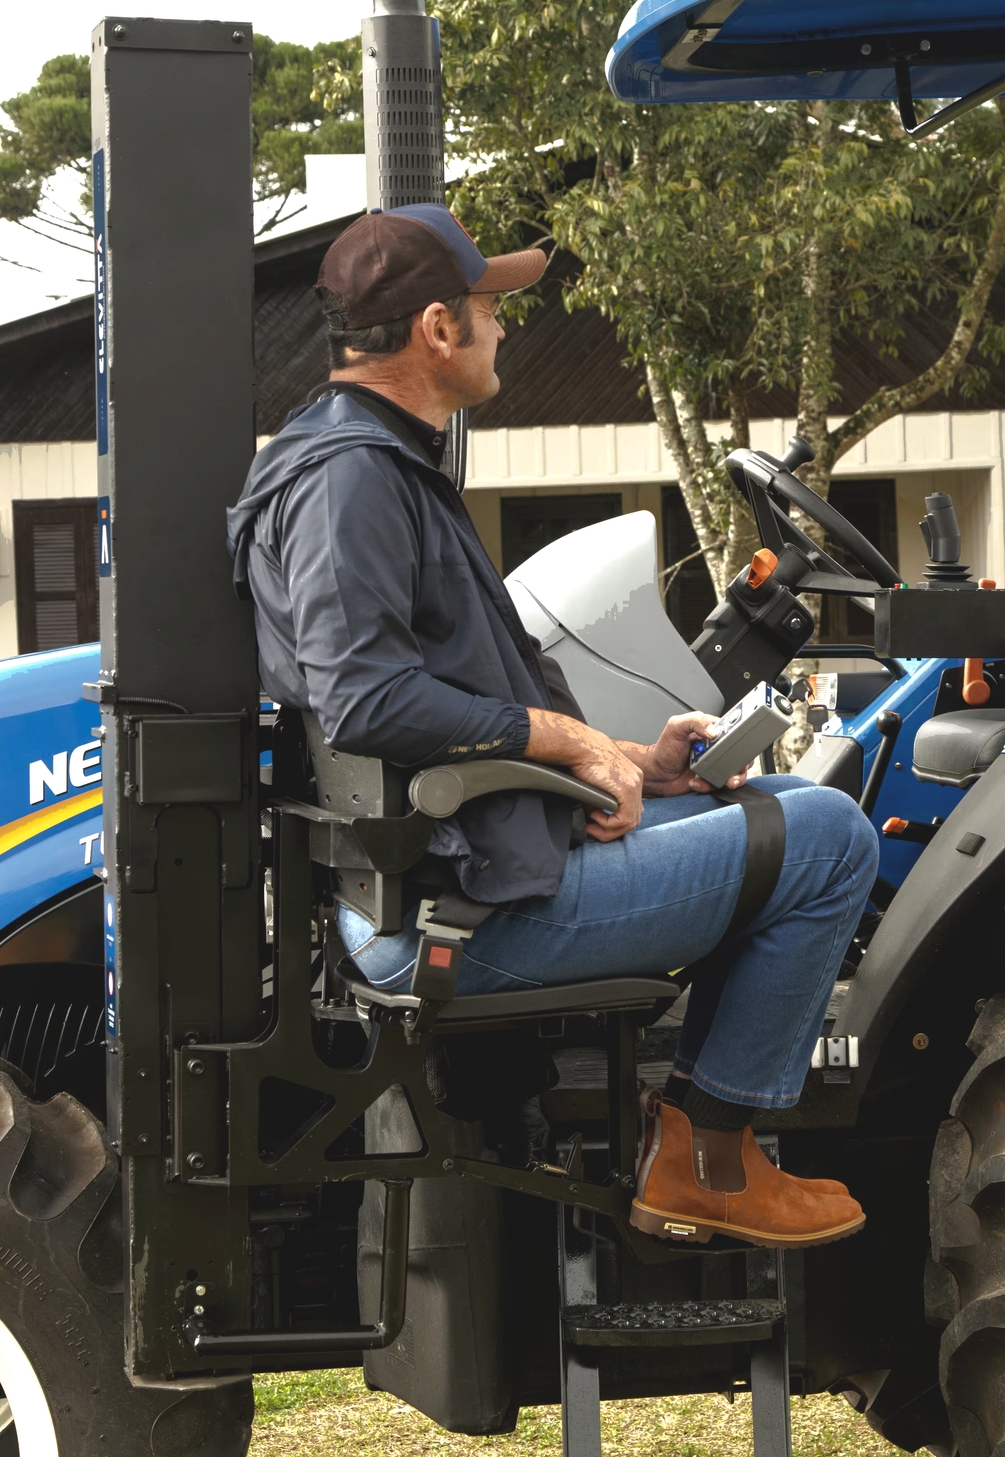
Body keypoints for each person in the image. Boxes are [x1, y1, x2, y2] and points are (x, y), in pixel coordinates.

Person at [226, 204, 878, 1249]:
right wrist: (571, 743)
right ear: (437, 328)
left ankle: (703, 1133)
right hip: (456, 915)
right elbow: (366, 700)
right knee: (837, 840)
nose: (506, 329)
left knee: (788, 800)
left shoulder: (367, 461)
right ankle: (707, 1156)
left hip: (468, 866)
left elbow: (446, 691)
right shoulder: (353, 481)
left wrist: (632, 760)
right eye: (491, 309)